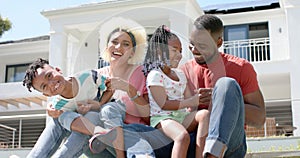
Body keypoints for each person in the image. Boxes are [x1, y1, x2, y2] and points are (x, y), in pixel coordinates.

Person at [180, 14, 266, 158]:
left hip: (230, 146)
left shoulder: (241, 68)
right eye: (191, 44)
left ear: (219, 42)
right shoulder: (183, 72)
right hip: (194, 143)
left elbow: (259, 120)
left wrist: (221, 100)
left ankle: (214, 152)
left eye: (202, 45)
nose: (194, 50)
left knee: (226, 85)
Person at [23, 58, 126, 158]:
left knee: (88, 115)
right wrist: (54, 111)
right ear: (47, 94)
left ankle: (98, 131)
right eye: (44, 86)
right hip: (92, 139)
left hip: (107, 116)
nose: (51, 83)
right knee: (62, 116)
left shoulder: (87, 77)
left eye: (49, 75)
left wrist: (98, 104)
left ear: (58, 70)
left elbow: (111, 87)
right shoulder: (59, 105)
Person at [142, 25, 209, 158]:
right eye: (174, 50)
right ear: (159, 52)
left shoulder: (180, 74)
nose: (179, 55)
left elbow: (190, 101)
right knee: (182, 136)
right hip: (163, 119)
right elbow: (163, 104)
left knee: (204, 114)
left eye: (180, 50)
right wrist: (190, 101)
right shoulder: (155, 75)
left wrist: (198, 98)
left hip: (181, 117)